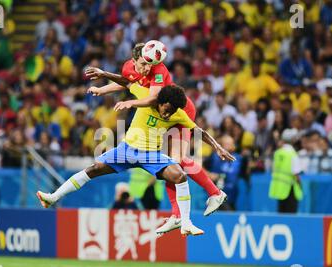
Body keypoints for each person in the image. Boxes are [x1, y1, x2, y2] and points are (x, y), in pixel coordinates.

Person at [37, 85, 236, 236]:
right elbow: (125, 81)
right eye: (167, 108)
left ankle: (185, 222)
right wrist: (102, 86)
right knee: (94, 168)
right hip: (126, 150)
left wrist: (217, 147)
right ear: (160, 100)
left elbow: (197, 130)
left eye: (173, 110)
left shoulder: (178, 113)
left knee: (180, 176)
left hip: (151, 155)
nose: (169, 113)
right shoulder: (145, 96)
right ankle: (52, 197)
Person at [85, 42, 227, 235]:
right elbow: (127, 82)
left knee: (176, 160)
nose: (146, 68)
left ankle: (215, 193)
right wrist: (102, 90)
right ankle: (177, 215)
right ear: (134, 60)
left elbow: (152, 99)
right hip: (163, 112)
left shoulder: (158, 71)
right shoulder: (131, 68)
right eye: (143, 64)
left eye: (148, 64)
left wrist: (130, 102)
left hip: (179, 110)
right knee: (168, 165)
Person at [269, 128, 303, 213]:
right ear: (293, 140)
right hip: (290, 189)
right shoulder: (292, 154)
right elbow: (296, 174)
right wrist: (300, 185)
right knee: (290, 216)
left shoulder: (277, 153)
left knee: (281, 214)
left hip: (279, 189)